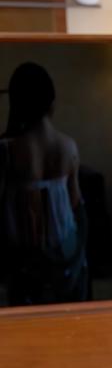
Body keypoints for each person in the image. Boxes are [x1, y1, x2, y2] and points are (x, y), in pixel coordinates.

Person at [0, 61, 88, 306]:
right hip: (64, 246)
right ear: (52, 101)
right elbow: (75, 204)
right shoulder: (68, 146)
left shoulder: (8, 149)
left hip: (24, 252)